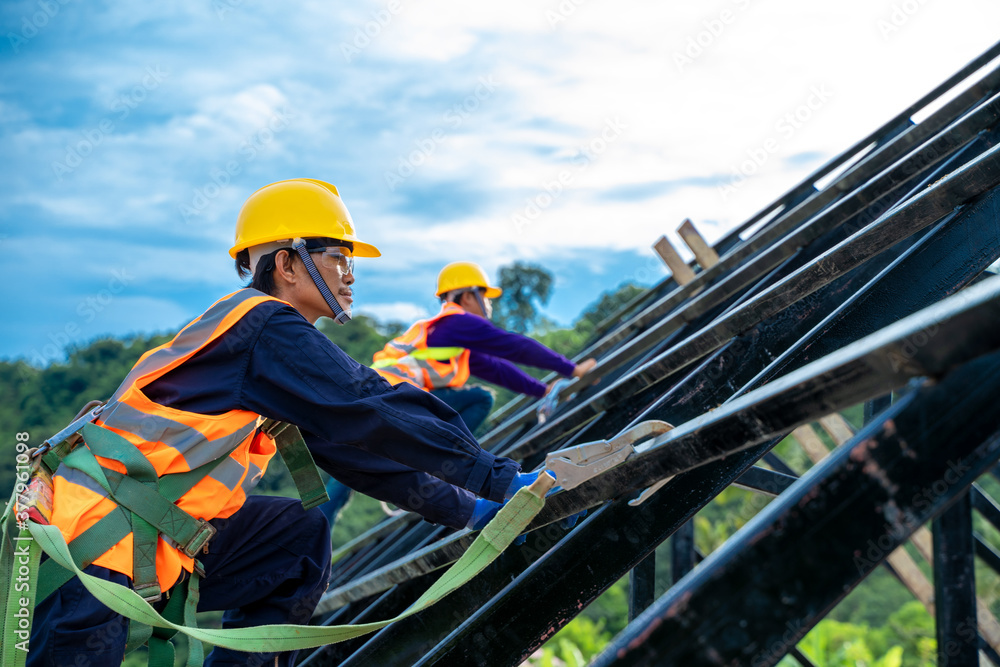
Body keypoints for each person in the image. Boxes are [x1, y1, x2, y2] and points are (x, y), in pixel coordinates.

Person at [29, 179, 535, 667]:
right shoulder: (264, 326)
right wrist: (503, 479)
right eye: (337, 256)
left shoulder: (264, 353)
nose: (350, 274)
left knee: (297, 540)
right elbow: (373, 404)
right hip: (95, 546)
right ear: (288, 263)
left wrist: (473, 512)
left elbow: (357, 452)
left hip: (144, 539)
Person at [372, 261, 597, 432]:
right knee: (482, 398)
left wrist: (543, 391)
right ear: (469, 296)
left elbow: (496, 369)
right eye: (485, 297)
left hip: (379, 399)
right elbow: (515, 346)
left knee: (361, 457)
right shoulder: (458, 322)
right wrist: (572, 370)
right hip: (398, 400)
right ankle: (445, 453)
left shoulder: (446, 335)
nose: (488, 304)